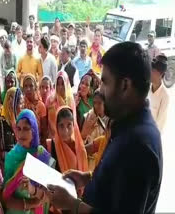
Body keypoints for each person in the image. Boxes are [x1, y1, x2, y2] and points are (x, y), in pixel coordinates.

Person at [48, 42, 163, 214]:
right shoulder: (124, 124)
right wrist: (87, 178)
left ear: (125, 85)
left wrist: (73, 205)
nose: (100, 90)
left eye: (105, 82)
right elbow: (117, 182)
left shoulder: (139, 144)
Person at [3, 109, 53, 213]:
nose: (21, 133)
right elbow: (6, 197)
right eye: (19, 128)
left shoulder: (42, 155)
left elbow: (51, 194)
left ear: (34, 130)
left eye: (26, 129)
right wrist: (30, 204)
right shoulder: (11, 157)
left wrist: (33, 190)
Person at [47, 106, 88, 184]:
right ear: (56, 127)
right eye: (61, 126)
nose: (65, 131)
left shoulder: (80, 148)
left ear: (74, 126)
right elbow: (50, 172)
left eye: (69, 125)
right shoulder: (51, 146)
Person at [0, 87, 24, 169]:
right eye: (20, 103)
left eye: (23, 103)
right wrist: (3, 155)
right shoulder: (1, 124)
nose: (22, 106)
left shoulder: (23, 123)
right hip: (8, 167)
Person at [47, 71, 74, 138]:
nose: (60, 87)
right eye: (58, 84)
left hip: (67, 136)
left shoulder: (70, 101)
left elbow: (73, 122)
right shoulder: (50, 100)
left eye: (62, 84)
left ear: (66, 84)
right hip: (53, 137)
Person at [23, 74, 48, 145]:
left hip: (37, 143)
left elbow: (44, 130)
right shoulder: (21, 105)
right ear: (23, 88)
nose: (28, 89)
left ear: (35, 88)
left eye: (31, 86)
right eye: (26, 86)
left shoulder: (41, 106)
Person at [148, 54, 170, 133]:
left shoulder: (165, 96)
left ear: (161, 75)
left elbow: (159, 123)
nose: (150, 73)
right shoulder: (147, 89)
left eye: (153, 71)